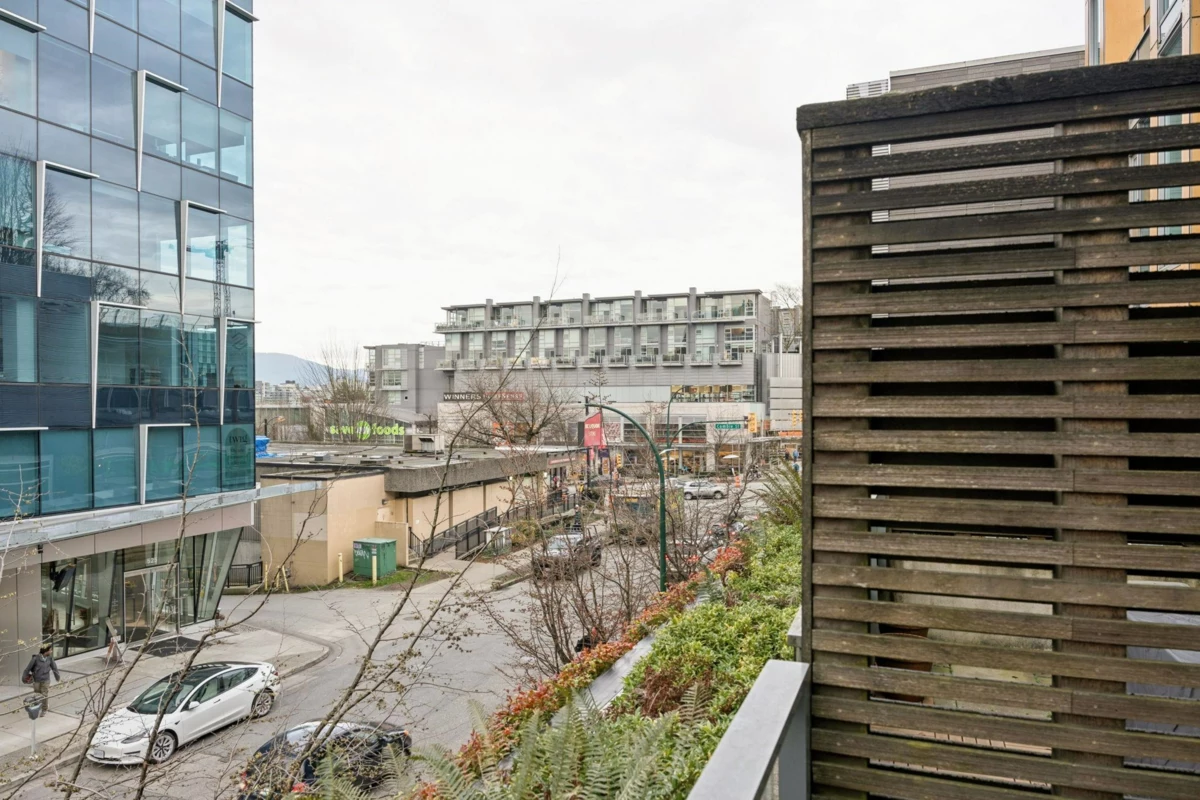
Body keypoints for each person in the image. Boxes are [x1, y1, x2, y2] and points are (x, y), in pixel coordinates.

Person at [23, 645, 61, 714]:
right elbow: (27, 669)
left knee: (44, 694)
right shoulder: (35, 658)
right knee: (38, 694)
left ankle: (44, 709)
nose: (51, 651)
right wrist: (24, 678)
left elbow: (54, 668)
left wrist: (57, 678)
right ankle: (39, 705)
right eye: (50, 650)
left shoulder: (50, 658)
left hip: (46, 680)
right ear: (46, 651)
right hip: (37, 680)